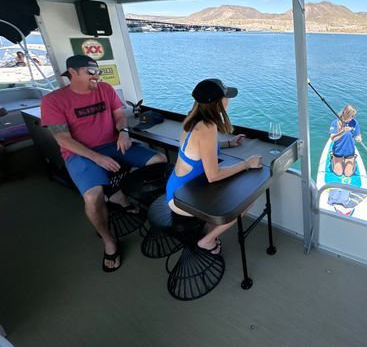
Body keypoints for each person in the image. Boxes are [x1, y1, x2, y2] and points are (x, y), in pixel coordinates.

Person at [41, 55, 167, 272]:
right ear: (72, 72)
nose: (96, 76)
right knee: (92, 197)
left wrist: (123, 132)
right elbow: (63, 138)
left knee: (159, 160)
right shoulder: (53, 101)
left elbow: (119, 115)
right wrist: (97, 158)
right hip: (78, 153)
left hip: (112, 144)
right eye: (91, 71)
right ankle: (109, 241)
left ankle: (143, 206)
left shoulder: (106, 89)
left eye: (98, 71)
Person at [166, 78, 262, 255]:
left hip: (180, 188)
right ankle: (206, 240)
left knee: (234, 194)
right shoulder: (207, 128)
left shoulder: (194, 119)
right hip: (182, 198)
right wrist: (247, 164)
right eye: (226, 97)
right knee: (245, 203)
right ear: (218, 104)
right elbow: (213, 175)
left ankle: (207, 229)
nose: (229, 100)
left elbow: (200, 149)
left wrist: (228, 144)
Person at [329, 104, 362, 177]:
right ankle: (332, 156)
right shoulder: (335, 122)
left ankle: (353, 158)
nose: (353, 118)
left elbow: (358, 135)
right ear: (347, 114)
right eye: (352, 115)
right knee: (338, 173)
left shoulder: (354, 122)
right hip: (338, 150)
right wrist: (343, 131)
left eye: (354, 116)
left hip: (349, 150)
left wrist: (359, 138)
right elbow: (333, 138)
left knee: (348, 174)